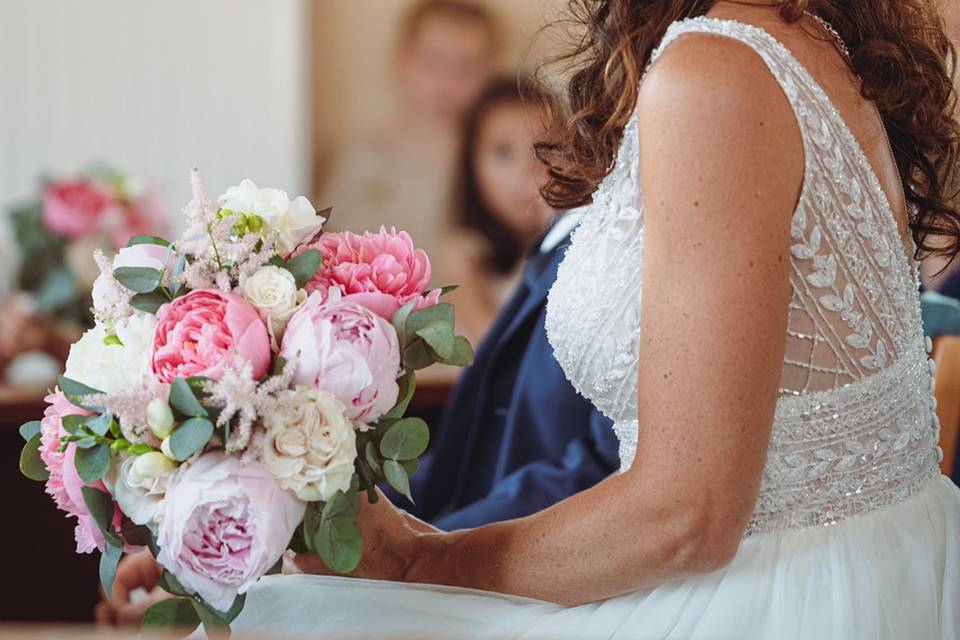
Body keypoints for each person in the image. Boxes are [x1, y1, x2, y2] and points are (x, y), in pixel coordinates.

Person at [108, 1, 960, 637]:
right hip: (853, 565)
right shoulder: (805, 40)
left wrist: (421, 564)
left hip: (773, 597)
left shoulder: (717, 78)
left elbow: (689, 516)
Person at [320, 0, 500, 276]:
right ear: (403, 58)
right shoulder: (363, 158)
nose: (448, 80)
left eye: (466, 66)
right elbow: (327, 245)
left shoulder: (491, 162)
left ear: (489, 71)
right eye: (433, 61)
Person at [440, 77, 556, 343]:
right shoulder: (461, 253)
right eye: (504, 152)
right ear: (472, 164)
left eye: (543, 149)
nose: (527, 170)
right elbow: (496, 344)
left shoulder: (577, 243)